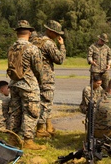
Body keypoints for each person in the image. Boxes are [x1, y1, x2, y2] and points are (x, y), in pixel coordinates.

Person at [5, 20, 49, 151]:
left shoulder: (11, 48)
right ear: (29, 33)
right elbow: (38, 69)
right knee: (31, 112)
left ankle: (12, 138)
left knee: (14, 112)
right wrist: (40, 81)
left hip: (14, 84)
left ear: (17, 33)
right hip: (28, 84)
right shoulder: (32, 48)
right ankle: (28, 141)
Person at [33, 20, 66, 138]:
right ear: (51, 31)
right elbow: (60, 59)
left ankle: (49, 125)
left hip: (35, 76)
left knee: (40, 101)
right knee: (46, 102)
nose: (58, 36)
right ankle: (41, 129)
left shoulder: (35, 40)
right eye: (56, 33)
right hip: (46, 77)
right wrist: (62, 45)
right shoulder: (48, 43)